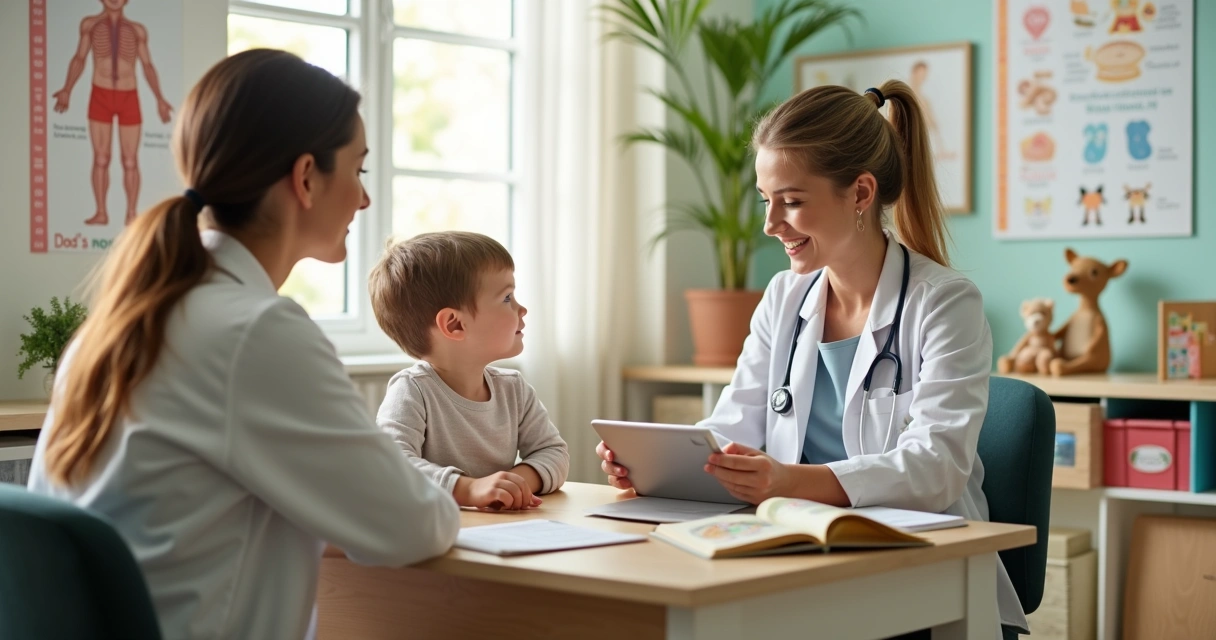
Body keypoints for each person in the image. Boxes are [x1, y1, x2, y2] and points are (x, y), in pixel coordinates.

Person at [27, 49, 460, 639]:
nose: (363, 199)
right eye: (358, 170)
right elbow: (416, 525)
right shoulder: (256, 332)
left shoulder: (125, 319)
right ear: (306, 177)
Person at [596, 81, 1027, 639]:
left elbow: (936, 468)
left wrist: (788, 480)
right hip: (797, 555)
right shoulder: (784, 296)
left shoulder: (943, 302)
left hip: (919, 568)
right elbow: (734, 425)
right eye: (766, 200)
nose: (771, 224)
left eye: (792, 201)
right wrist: (662, 464)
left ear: (861, 194)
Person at [370, 231, 570, 511]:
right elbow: (390, 465)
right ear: (454, 325)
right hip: (437, 534)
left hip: (499, 530)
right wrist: (469, 489)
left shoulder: (513, 389)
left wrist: (511, 483)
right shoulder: (412, 390)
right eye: (507, 298)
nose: (521, 309)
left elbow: (553, 452)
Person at [52, 0, 175, 226]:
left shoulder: (137, 30)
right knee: (101, 157)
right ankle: (101, 212)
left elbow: (147, 65)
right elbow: (79, 58)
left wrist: (159, 99)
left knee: (130, 160)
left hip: (129, 96)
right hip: (100, 94)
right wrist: (67, 89)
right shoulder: (89, 25)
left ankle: (131, 214)